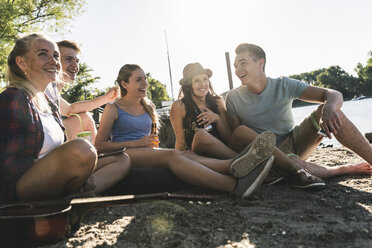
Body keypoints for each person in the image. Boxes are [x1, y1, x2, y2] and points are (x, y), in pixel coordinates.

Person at [95, 64, 276, 199]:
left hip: (147, 153)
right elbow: (99, 145)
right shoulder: (113, 108)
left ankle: (237, 165)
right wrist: (136, 143)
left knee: (186, 154)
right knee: (174, 155)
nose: (146, 83)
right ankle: (232, 181)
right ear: (124, 84)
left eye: (145, 78)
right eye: (138, 80)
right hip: (125, 154)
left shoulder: (148, 106)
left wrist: (146, 144)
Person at [0, 33, 130, 203]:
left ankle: (79, 196)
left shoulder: (48, 101)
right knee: (82, 149)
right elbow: (7, 166)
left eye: (55, 56)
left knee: (121, 160)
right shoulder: (13, 98)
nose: (54, 61)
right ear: (22, 62)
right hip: (22, 186)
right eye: (42, 54)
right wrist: (59, 169)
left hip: (55, 175)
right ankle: (72, 197)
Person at [225, 43, 372, 179]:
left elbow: (333, 94)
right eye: (235, 66)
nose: (238, 70)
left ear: (260, 63)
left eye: (243, 63)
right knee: (290, 163)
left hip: (295, 140)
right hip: (267, 153)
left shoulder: (284, 85)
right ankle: (341, 169)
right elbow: (237, 137)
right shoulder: (233, 98)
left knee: (333, 111)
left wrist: (329, 107)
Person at [171, 62, 325, 189]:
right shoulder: (179, 106)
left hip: (223, 150)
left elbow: (228, 136)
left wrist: (217, 118)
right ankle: (263, 167)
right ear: (188, 85)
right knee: (201, 135)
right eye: (196, 80)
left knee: (242, 130)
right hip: (201, 154)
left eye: (205, 79)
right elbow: (181, 142)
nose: (202, 84)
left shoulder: (217, 101)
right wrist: (181, 161)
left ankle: (294, 169)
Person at [45, 40, 120, 143]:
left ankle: (96, 153)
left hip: (50, 135)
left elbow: (70, 109)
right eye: (69, 59)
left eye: (77, 61)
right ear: (56, 61)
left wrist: (107, 98)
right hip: (46, 138)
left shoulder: (52, 88)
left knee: (85, 118)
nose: (75, 65)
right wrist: (106, 98)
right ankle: (98, 153)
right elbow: (70, 110)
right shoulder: (46, 84)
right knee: (85, 118)